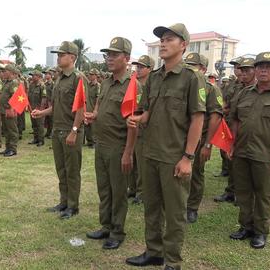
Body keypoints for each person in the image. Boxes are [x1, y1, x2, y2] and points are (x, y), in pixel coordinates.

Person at [125, 23, 206, 270]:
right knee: (151, 208)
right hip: (150, 153)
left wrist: (188, 157)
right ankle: (154, 252)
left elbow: (197, 118)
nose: (162, 43)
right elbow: (149, 110)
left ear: (183, 45)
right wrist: (140, 118)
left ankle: (172, 261)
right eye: (161, 39)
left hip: (174, 157)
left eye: (169, 39)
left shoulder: (192, 78)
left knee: (174, 213)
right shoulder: (154, 78)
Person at [228, 52, 270, 249]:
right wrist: (231, 144)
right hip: (242, 152)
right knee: (243, 192)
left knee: (264, 194)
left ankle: (260, 231)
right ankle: (246, 226)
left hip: (267, 155)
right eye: (260, 66)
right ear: (255, 70)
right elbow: (236, 120)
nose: (263, 70)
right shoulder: (244, 93)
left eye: (269, 67)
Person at [84, 37, 137, 250]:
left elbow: (133, 124)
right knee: (104, 189)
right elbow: (100, 107)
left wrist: (128, 153)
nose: (109, 59)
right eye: (108, 55)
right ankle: (106, 225)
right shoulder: (106, 82)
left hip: (118, 146)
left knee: (118, 192)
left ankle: (117, 231)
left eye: (114, 55)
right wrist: (94, 115)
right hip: (102, 144)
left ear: (127, 58)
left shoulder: (133, 86)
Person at [31, 41, 86, 219]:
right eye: (58, 54)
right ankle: (64, 201)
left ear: (72, 57)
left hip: (71, 131)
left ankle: (73, 206)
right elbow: (56, 106)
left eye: (62, 55)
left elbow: (81, 108)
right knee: (61, 169)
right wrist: (42, 113)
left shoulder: (78, 78)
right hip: (57, 130)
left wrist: (75, 130)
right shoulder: (59, 78)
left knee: (72, 171)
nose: (58, 57)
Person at [184, 53, 223, 223]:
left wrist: (208, 144)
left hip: (199, 140)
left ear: (204, 69)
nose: (189, 68)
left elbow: (215, 117)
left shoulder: (210, 88)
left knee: (196, 173)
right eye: (188, 64)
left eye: (194, 65)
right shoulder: (183, 85)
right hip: (180, 137)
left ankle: (192, 207)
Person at [214, 57, 244, 202]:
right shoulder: (232, 85)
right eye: (236, 67)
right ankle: (231, 190)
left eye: (241, 68)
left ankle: (241, 193)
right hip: (229, 124)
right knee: (230, 157)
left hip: (245, 129)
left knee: (241, 162)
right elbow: (225, 102)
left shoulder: (252, 87)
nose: (238, 70)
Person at [128, 55, 155, 204]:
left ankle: (142, 192)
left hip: (145, 130)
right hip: (133, 128)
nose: (138, 69)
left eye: (141, 67)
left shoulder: (151, 87)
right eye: (137, 67)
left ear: (150, 69)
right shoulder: (134, 85)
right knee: (132, 160)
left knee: (143, 164)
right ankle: (132, 188)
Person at [0, 64, 20, 157]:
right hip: (4, 109)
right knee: (6, 130)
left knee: (12, 130)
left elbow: (15, 96)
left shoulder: (13, 82)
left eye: (5, 71)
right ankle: (8, 148)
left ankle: (13, 149)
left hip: (10, 110)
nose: (3, 73)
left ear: (11, 72)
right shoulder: (6, 82)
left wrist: (11, 109)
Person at [28, 70, 47, 147]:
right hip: (32, 107)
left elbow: (44, 98)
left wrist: (41, 109)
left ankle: (41, 140)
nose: (32, 77)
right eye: (32, 75)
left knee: (40, 125)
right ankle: (35, 138)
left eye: (34, 75)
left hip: (39, 108)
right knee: (34, 124)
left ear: (39, 77)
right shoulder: (31, 85)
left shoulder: (42, 86)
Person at [85, 68, 100, 148]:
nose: (89, 76)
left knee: (93, 127)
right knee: (87, 126)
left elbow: (98, 98)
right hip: (87, 107)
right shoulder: (87, 85)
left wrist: (95, 110)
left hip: (94, 108)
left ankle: (94, 142)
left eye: (91, 74)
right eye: (89, 74)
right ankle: (89, 141)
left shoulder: (98, 86)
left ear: (96, 76)